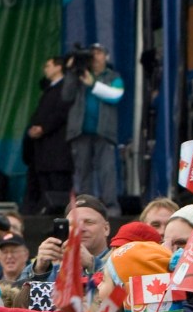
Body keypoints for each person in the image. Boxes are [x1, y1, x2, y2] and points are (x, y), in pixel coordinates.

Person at [63, 45, 124, 216]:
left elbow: (116, 95)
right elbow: (66, 95)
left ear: (106, 56)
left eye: (99, 53)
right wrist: (70, 72)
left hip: (104, 133)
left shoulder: (113, 76)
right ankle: (85, 208)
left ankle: (111, 207)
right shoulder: (79, 75)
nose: (95, 56)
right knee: (83, 171)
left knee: (107, 171)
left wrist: (93, 84)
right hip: (80, 132)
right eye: (92, 53)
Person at [22, 56, 73, 215]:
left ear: (59, 67)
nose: (45, 69)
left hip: (58, 149)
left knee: (58, 186)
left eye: (48, 65)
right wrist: (33, 129)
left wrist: (43, 128)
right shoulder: (48, 90)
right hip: (44, 152)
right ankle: (44, 211)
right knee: (44, 185)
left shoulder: (65, 88)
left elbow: (61, 112)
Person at [22, 194, 112, 283]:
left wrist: (92, 264)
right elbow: (17, 294)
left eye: (89, 222)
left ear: (106, 229)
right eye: (73, 224)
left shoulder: (121, 260)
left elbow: (121, 290)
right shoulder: (54, 271)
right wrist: (38, 270)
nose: (80, 229)